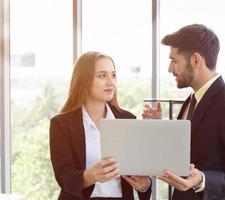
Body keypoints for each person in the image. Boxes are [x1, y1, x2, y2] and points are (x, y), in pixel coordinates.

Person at [143, 24, 225, 200]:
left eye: (174, 61)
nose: (170, 69)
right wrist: (160, 127)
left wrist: (202, 180)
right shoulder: (192, 100)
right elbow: (188, 151)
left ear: (196, 61)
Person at [50, 51, 151, 200]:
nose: (111, 82)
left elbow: (140, 172)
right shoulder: (62, 124)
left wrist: (145, 185)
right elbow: (64, 177)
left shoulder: (127, 119)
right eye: (102, 75)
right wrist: (89, 176)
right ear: (84, 79)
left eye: (113, 75)